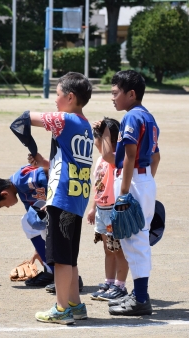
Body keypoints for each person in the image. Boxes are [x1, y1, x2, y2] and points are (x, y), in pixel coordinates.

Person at [12, 72, 93, 325]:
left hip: (62, 196)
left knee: (58, 259)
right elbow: (70, 160)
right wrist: (44, 161)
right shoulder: (85, 125)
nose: (55, 101)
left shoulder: (65, 120)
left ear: (70, 97)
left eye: (57, 95)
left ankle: (61, 309)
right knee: (69, 257)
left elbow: (23, 119)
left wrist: (31, 145)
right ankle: (75, 304)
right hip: (77, 196)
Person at [102, 70, 159, 316]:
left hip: (133, 180)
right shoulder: (148, 116)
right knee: (137, 239)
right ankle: (139, 295)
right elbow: (156, 156)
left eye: (116, 93)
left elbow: (130, 156)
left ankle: (141, 299)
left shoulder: (132, 117)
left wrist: (124, 193)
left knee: (134, 241)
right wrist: (145, 183)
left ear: (131, 94)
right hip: (142, 180)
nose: (112, 98)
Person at [0, 165, 55, 287]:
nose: (7, 207)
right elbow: (34, 221)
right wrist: (39, 249)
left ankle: (62, 274)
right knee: (29, 220)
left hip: (64, 204)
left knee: (34, 223)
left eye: (2, 205)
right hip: (55, 210)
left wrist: (53, 199)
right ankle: (51, 270)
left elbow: (47, 169)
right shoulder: (19, 189)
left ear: (4, 194)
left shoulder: (22, 179)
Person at [86, 117, 130, 302]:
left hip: (113, 211)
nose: (96, 140)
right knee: (108, 250)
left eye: (101, 137)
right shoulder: (100, 160)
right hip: (102, 210)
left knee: (119, 250)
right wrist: (93, 207)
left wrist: (105, 130)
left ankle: (120, 285)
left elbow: (106, 153)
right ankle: (109, 281)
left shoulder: (115, 158)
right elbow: (99, 186)